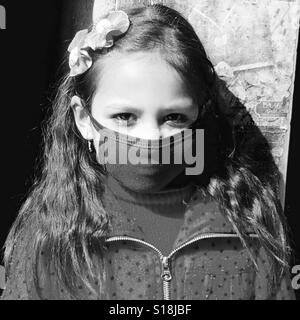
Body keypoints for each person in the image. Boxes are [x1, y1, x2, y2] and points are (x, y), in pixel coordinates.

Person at [1, 4, 296, 300]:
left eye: (174, 117)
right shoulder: (50, 237)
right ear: (83, 119)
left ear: (199, 117)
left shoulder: (249, 231)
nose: (150, 139)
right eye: (125, 116)